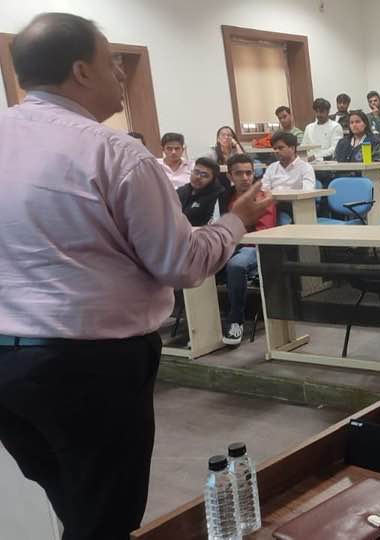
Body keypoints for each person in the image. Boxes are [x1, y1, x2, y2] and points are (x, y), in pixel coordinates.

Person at [0, 13, 272, 539]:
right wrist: (237, 218)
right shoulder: (114, 152)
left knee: (72, 503)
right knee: (106, 515)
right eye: (111, 62)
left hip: (8, 364)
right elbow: (182, 263)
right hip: (87, 365)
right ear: (81, 70)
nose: (121, 75)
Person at [220, 154, 277, 346]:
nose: (245, 178)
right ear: (230, 176)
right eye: (239, 173)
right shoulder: (223, 197)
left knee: (236, 265)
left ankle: (235, 320)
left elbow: (263, 233)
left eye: (249, 173)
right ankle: (200, 326)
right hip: (227, 245)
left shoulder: (263, 198)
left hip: (252, 247)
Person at [177, 157, 225, 226]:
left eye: (204, 175)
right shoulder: (182, 190)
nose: (198, 177)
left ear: (213, 179)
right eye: (196, 172)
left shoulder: (218, 195)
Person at [302, 98, 342, 162]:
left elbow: (335, 148)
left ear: (328, 112)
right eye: (316, 112)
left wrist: (315, 156)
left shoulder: (335, 126)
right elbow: (303, 147)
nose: (318, 114)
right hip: (309, 163)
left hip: (327, 163)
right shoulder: (309, 127)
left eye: (321, 112)